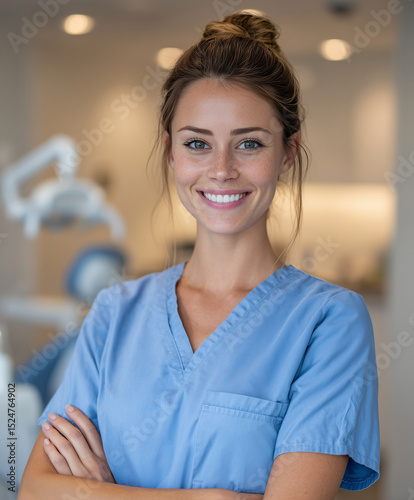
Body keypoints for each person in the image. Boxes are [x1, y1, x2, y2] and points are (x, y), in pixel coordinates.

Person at [18, 10, 380, 500]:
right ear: (171, 152)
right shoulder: (115, 312)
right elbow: (37, 488)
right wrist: (207, 498)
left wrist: (103, 492)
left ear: (289, 150)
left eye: (249, 143)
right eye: (197, 144)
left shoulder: (328, 321)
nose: (222, 169)